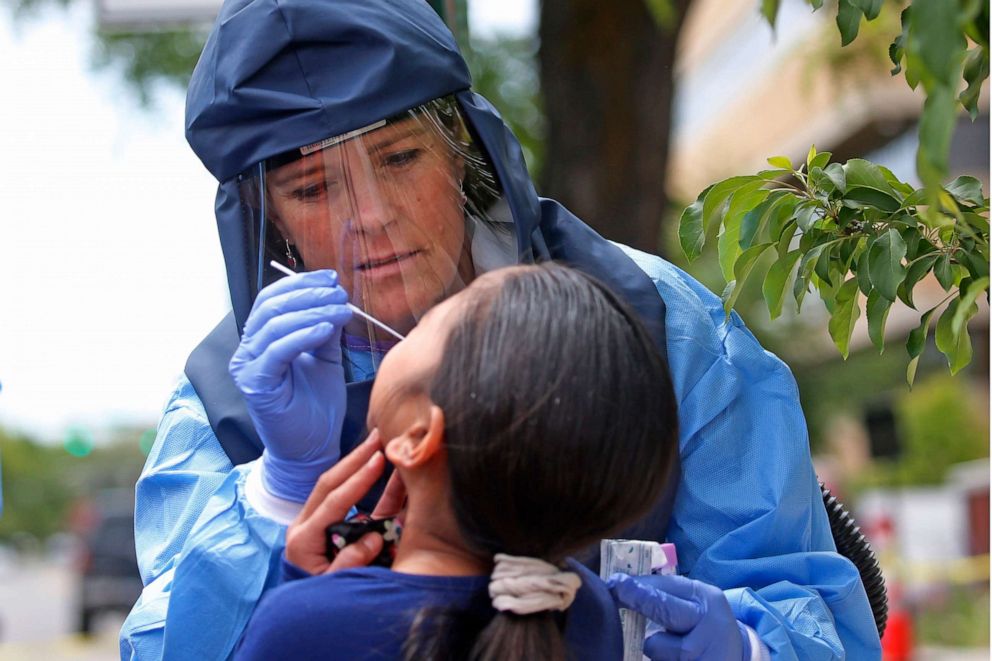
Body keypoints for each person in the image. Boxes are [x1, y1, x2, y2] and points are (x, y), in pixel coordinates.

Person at [120, 1, 881, 659]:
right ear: (266, 217)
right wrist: (272, 495)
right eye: (314, 187)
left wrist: (747, 646)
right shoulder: (225, 401)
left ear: (462, 145)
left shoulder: (652, 320)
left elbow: (821, 619)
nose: (372, 216)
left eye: (399, 157)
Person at [235, 262, 680, 660]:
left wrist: (301, 589)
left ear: (418, 437)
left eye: (426, 324)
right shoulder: (586, 610)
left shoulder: (306, 625)